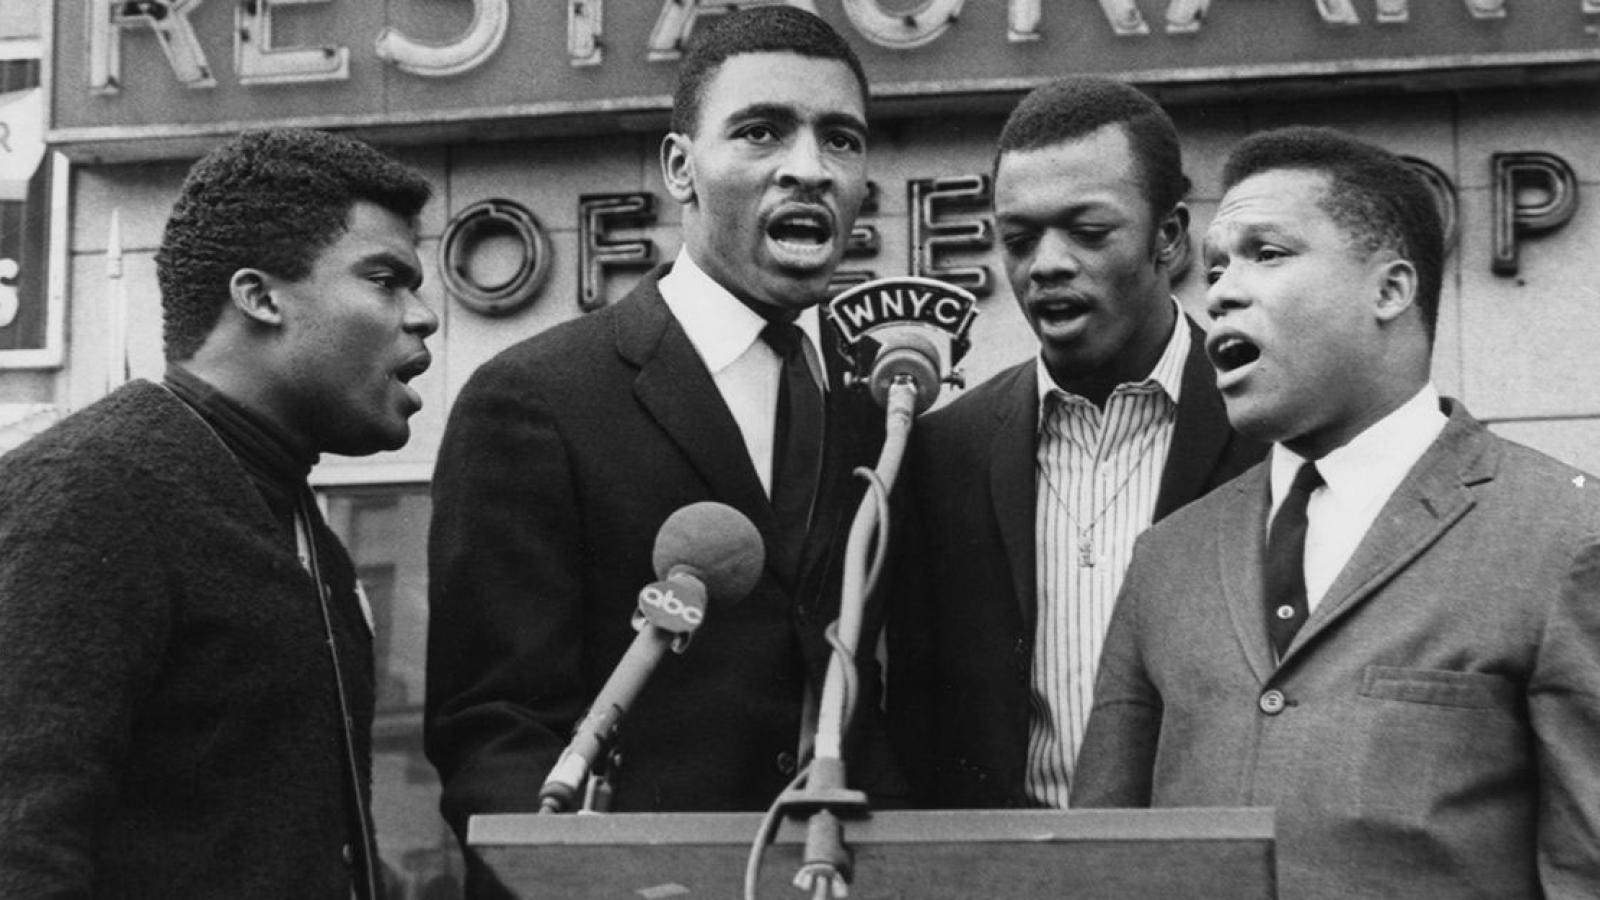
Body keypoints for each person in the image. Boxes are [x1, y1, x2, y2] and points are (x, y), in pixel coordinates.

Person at [1072, 126, 1600, 898]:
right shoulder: (1166, 557)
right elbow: (1099, 864)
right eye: (1215, 267)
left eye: (1268, 253)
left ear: (1390, 290)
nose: (1219, 291)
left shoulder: (1561, 534)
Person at [425, 5, 902, 852]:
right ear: (680, 168)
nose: (810, 169)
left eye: (841, 139)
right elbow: (495, 734)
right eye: (761, 132)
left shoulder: (884, 407)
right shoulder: (534, 400)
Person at [0, 128, 438, 898]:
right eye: (385, 280)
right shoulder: (87, 491)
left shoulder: (303, 531)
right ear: (260, 296)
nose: (423, 315)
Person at [885, 77, 1264, 810]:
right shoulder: (943, 453)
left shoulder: (1270, 428)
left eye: (1088, 233)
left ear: (1171, 237)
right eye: (1020, 240)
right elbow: (921, 722)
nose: (1047, 264)